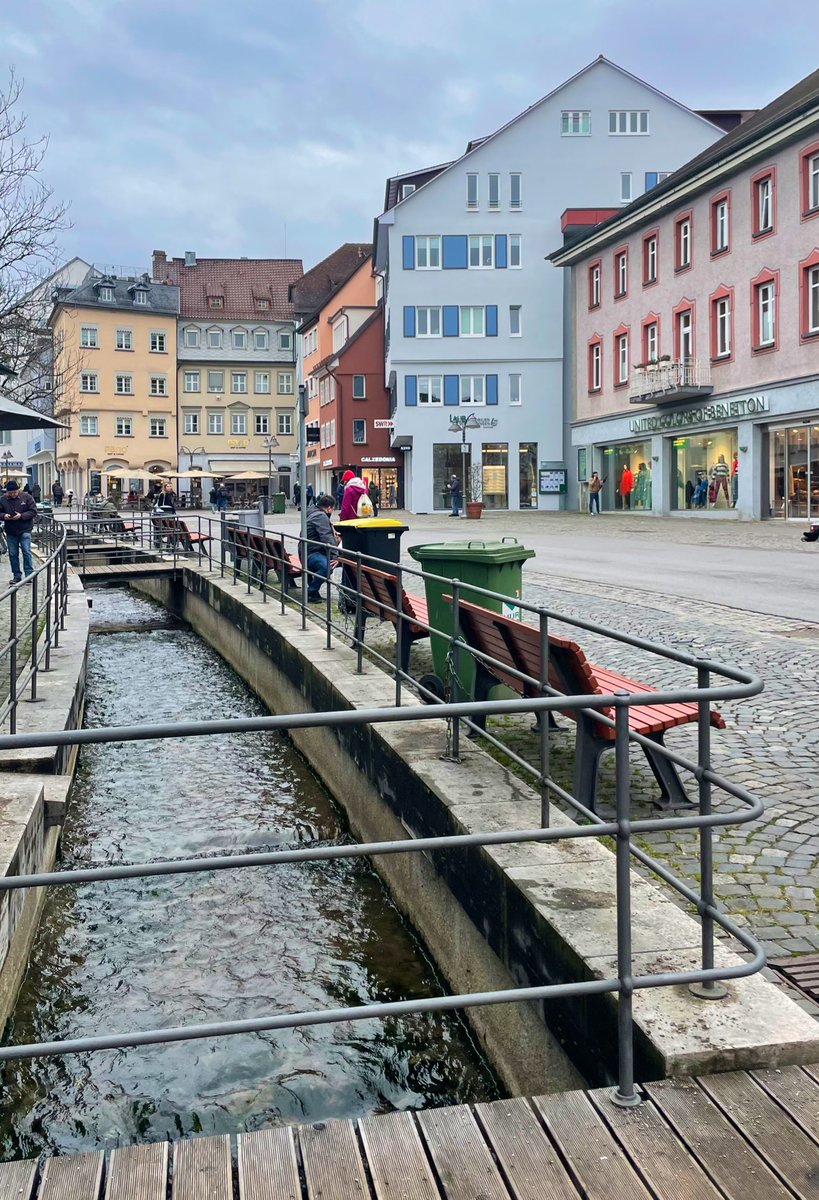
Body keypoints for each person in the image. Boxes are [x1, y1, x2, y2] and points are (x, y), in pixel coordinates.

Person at [0, 479, 37, 583]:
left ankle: (29, 574)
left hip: (25, 528)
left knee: (26, 551)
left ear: (18, 490)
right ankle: (17, 575)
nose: (13, 494)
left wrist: (21, 516)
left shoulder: (27, 497)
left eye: (15, 492)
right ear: (6, 492)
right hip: (11, 531)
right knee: (12, 554)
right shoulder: (2, 500)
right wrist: (4, 516)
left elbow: (33, 511)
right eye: (10, 493)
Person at [305, 494, 339, 602]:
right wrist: (335, 556)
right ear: (329, 508)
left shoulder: (313, 512)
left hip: (307, 550)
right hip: (311, 553)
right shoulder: (320, 516)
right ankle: (311, 591)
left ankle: (313, 589)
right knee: (327, 567)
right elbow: (326, 537)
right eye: (333, 509)